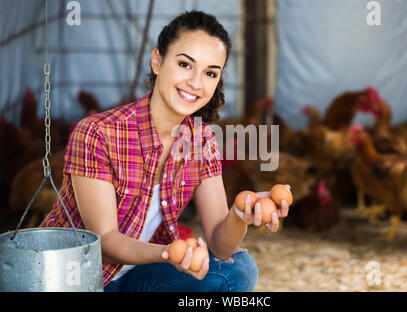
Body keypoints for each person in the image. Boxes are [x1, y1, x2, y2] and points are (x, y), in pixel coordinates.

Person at [40, 10, 290, 292]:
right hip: (80, 280)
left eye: (210, 73)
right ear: (157, 61)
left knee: (239, 269)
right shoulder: (97, 133)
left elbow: (221, 246)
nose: (196, 83)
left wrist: (239, 215)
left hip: (137, 279)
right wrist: (170, 254)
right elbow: (105, 241)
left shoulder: (201, 141)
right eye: (185, 64)